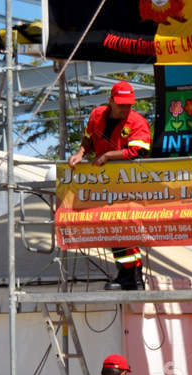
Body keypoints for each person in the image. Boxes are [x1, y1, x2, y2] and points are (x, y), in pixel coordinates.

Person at [67, 81, 153, 291]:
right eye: (121, 104)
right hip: (104, 187)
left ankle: (134, 277)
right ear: (111, 101)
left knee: (125, 229)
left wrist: (107, 156)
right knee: (113, 230)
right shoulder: (97, 115)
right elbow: (88, 138)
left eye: (129, 104)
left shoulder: (137, 122)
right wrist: (80, 153)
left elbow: (138, 152)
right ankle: (127, 276)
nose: (125, 108)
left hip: (128, 186)